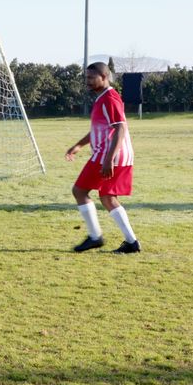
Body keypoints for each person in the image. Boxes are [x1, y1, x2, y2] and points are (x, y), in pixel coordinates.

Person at [65, 62, 141, 254]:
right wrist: (79, 145)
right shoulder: (103, 98)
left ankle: (97, 237)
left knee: (84, 191)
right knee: (103, 196)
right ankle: (126, 242)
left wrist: (109, 159)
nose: (87, 81)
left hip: (110, 155)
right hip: (110, 154)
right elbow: (100, 129)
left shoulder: (109, 98)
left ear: (104, 77)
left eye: (91, 78)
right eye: (86, 78)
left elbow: (120, 128)